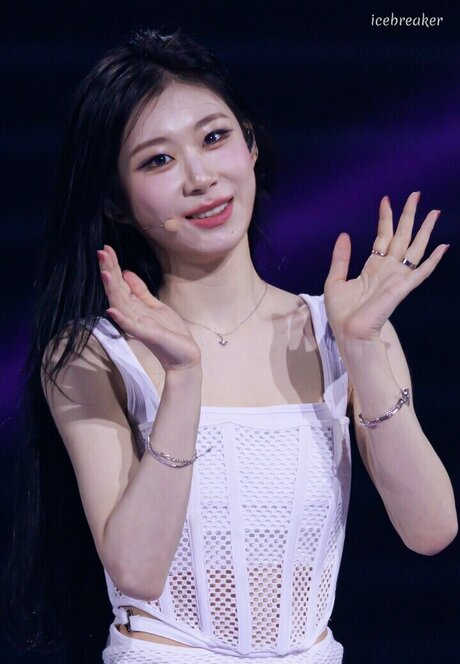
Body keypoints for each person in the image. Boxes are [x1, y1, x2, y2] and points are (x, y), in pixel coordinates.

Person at [4, 27, 457, 664]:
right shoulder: (91, 355)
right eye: (157, 161)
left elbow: (431, 529)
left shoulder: (346, 325)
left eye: (214, 138)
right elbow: (137, 571)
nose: (200, 177)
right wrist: (183, 378)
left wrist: (361, 347)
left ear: (250, 146)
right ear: (116, 202)